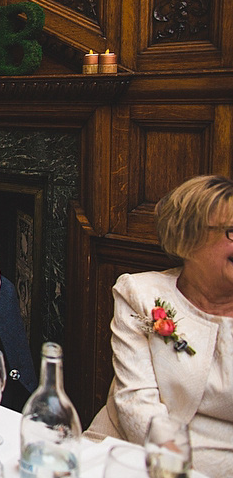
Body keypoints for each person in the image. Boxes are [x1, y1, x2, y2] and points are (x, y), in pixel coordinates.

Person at [88, 175, 233, 476]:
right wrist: (175, 468)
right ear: (188, 236)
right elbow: (136, 401)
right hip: (126, 452)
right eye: (231, 232)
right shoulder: (140, 294)